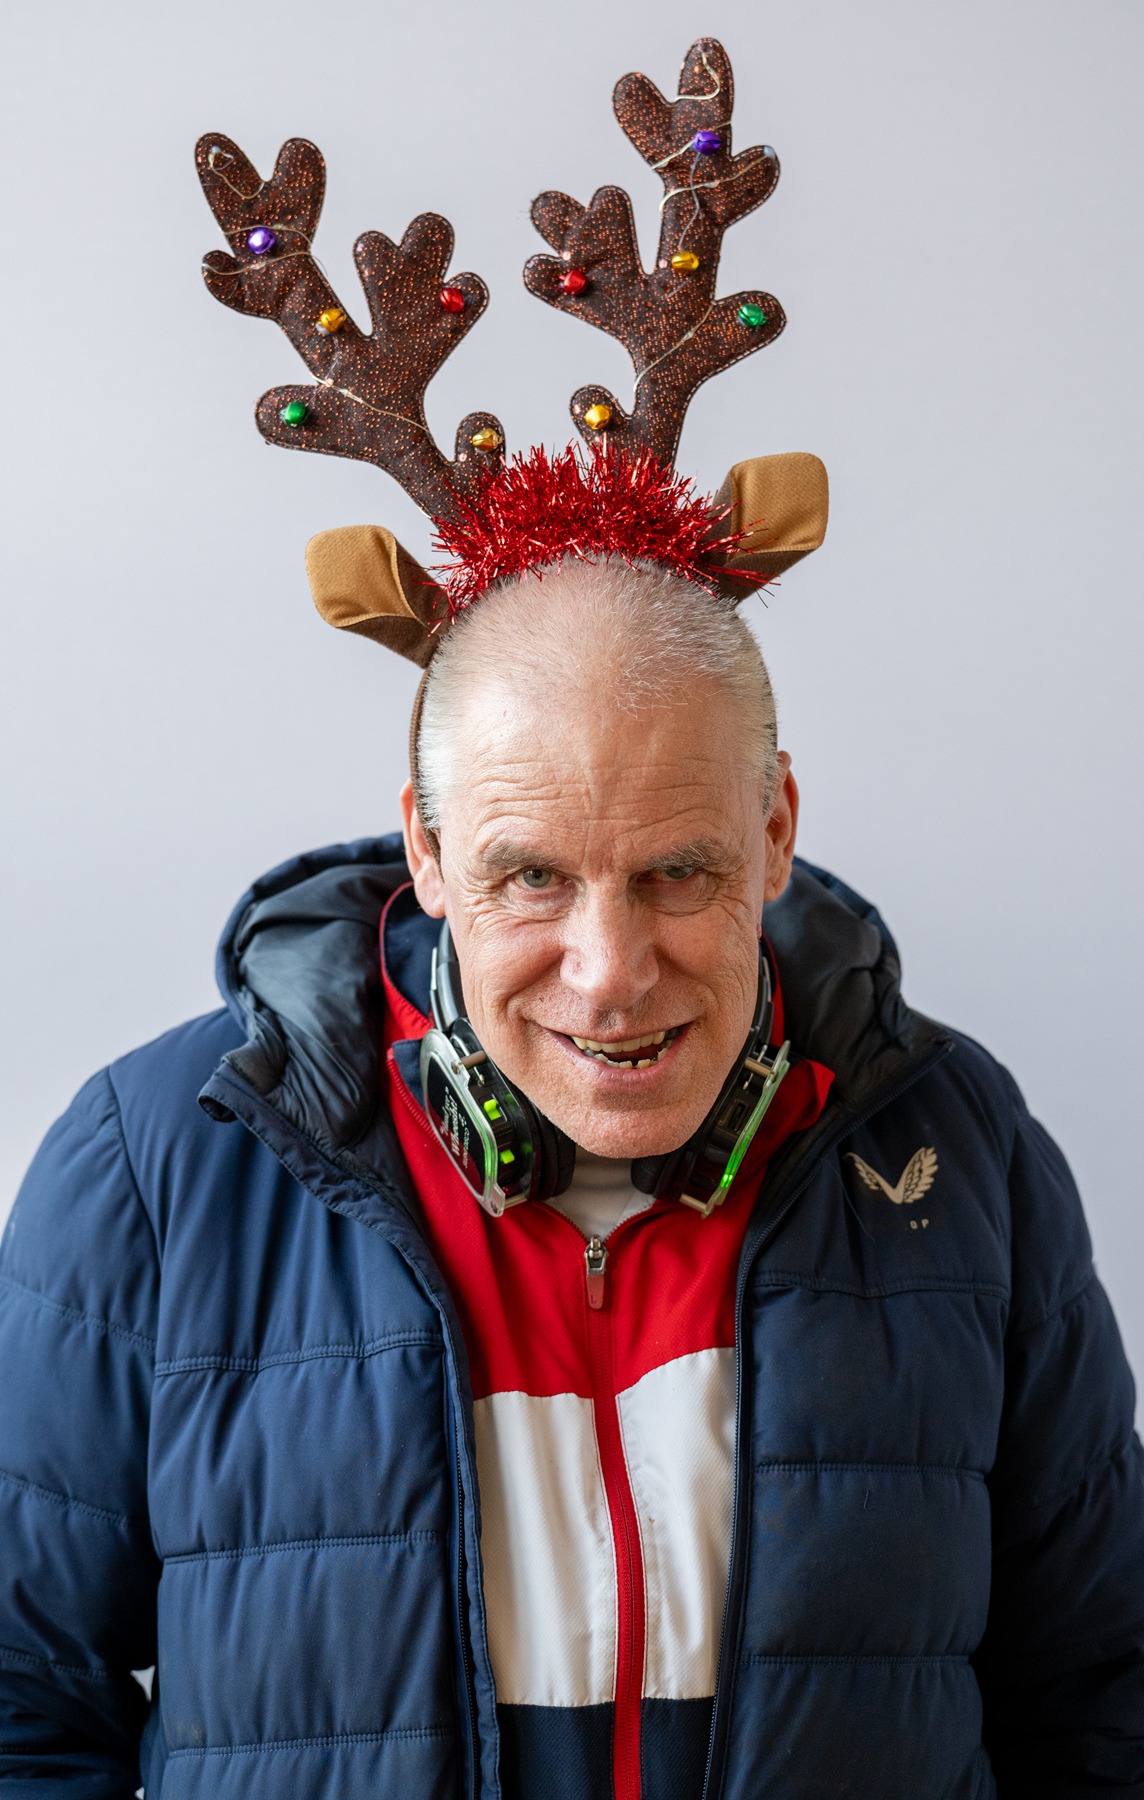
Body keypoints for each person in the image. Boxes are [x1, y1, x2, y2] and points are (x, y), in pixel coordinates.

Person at [3, 37, 1143, 1800]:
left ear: (773, 831)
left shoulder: (963, 1156)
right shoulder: (154, 1169)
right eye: (533, 876)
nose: (613, 974)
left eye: (678, 870)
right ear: (428, 853)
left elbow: (1104, 1693)